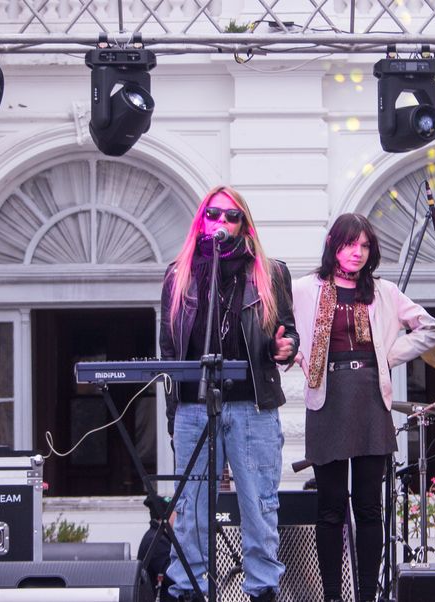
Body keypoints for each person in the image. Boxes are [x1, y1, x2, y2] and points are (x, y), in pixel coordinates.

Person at [291, 213, 435, 602]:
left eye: (364, 245)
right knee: (329, 507)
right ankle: (331, 596)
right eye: (349, 244)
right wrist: (297, 354)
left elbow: (431, 328)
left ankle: (367, 596)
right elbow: (277, 329)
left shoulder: (383, 291)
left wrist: (389, 355)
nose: (357, 252)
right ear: (332, 245)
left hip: (371, 397)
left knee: (369, 507)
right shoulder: (305, 288)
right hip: (326, 398)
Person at [160, 185, 298, 602]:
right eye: (214, 214)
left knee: (258, 503)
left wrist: (284, 346)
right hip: (194, 406)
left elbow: (288, 332)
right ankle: (189, 588)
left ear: (244, 224)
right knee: (191, 505)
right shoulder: (179, 275)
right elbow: (169, 350)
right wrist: (173, 415)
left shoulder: (270, 272)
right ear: (201, 220)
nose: (221, 222)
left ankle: (262, 588)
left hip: (252, 405)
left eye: (231, 216)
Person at [137, 494, 174, 599]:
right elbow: (171, 576)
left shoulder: (158, 537)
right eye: (176, 513)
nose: (180, 518)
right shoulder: (157, 541)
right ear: (165, 516)